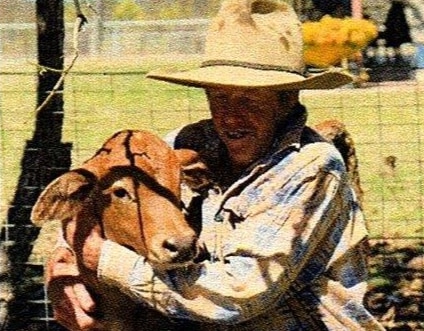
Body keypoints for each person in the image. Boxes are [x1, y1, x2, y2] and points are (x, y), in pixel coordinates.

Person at [45, 0, 385, 329]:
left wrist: (101, 259)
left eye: (249, 98)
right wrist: (64, 263)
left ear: (287, 98)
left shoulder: (311, 167)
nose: (230, 115)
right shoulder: (187, 143)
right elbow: (109, 184)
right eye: (219, 96)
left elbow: (235, 296)